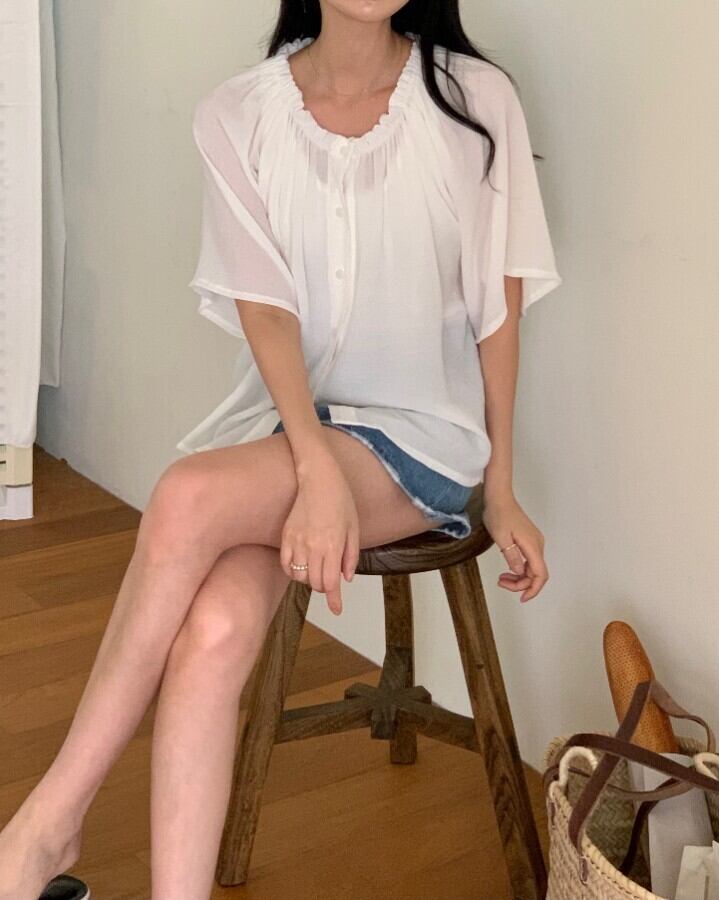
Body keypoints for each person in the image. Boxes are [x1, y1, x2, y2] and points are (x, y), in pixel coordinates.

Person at [0, 2, 562, 898]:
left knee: (185, 496)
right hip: (288, 430)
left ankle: (46, 826)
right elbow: (265, 307)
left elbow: (499, 312)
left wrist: (500, 485)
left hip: (420, 439)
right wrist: (313, 463)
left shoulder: (472, 100)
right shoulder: (237, 114)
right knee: (214, 632)